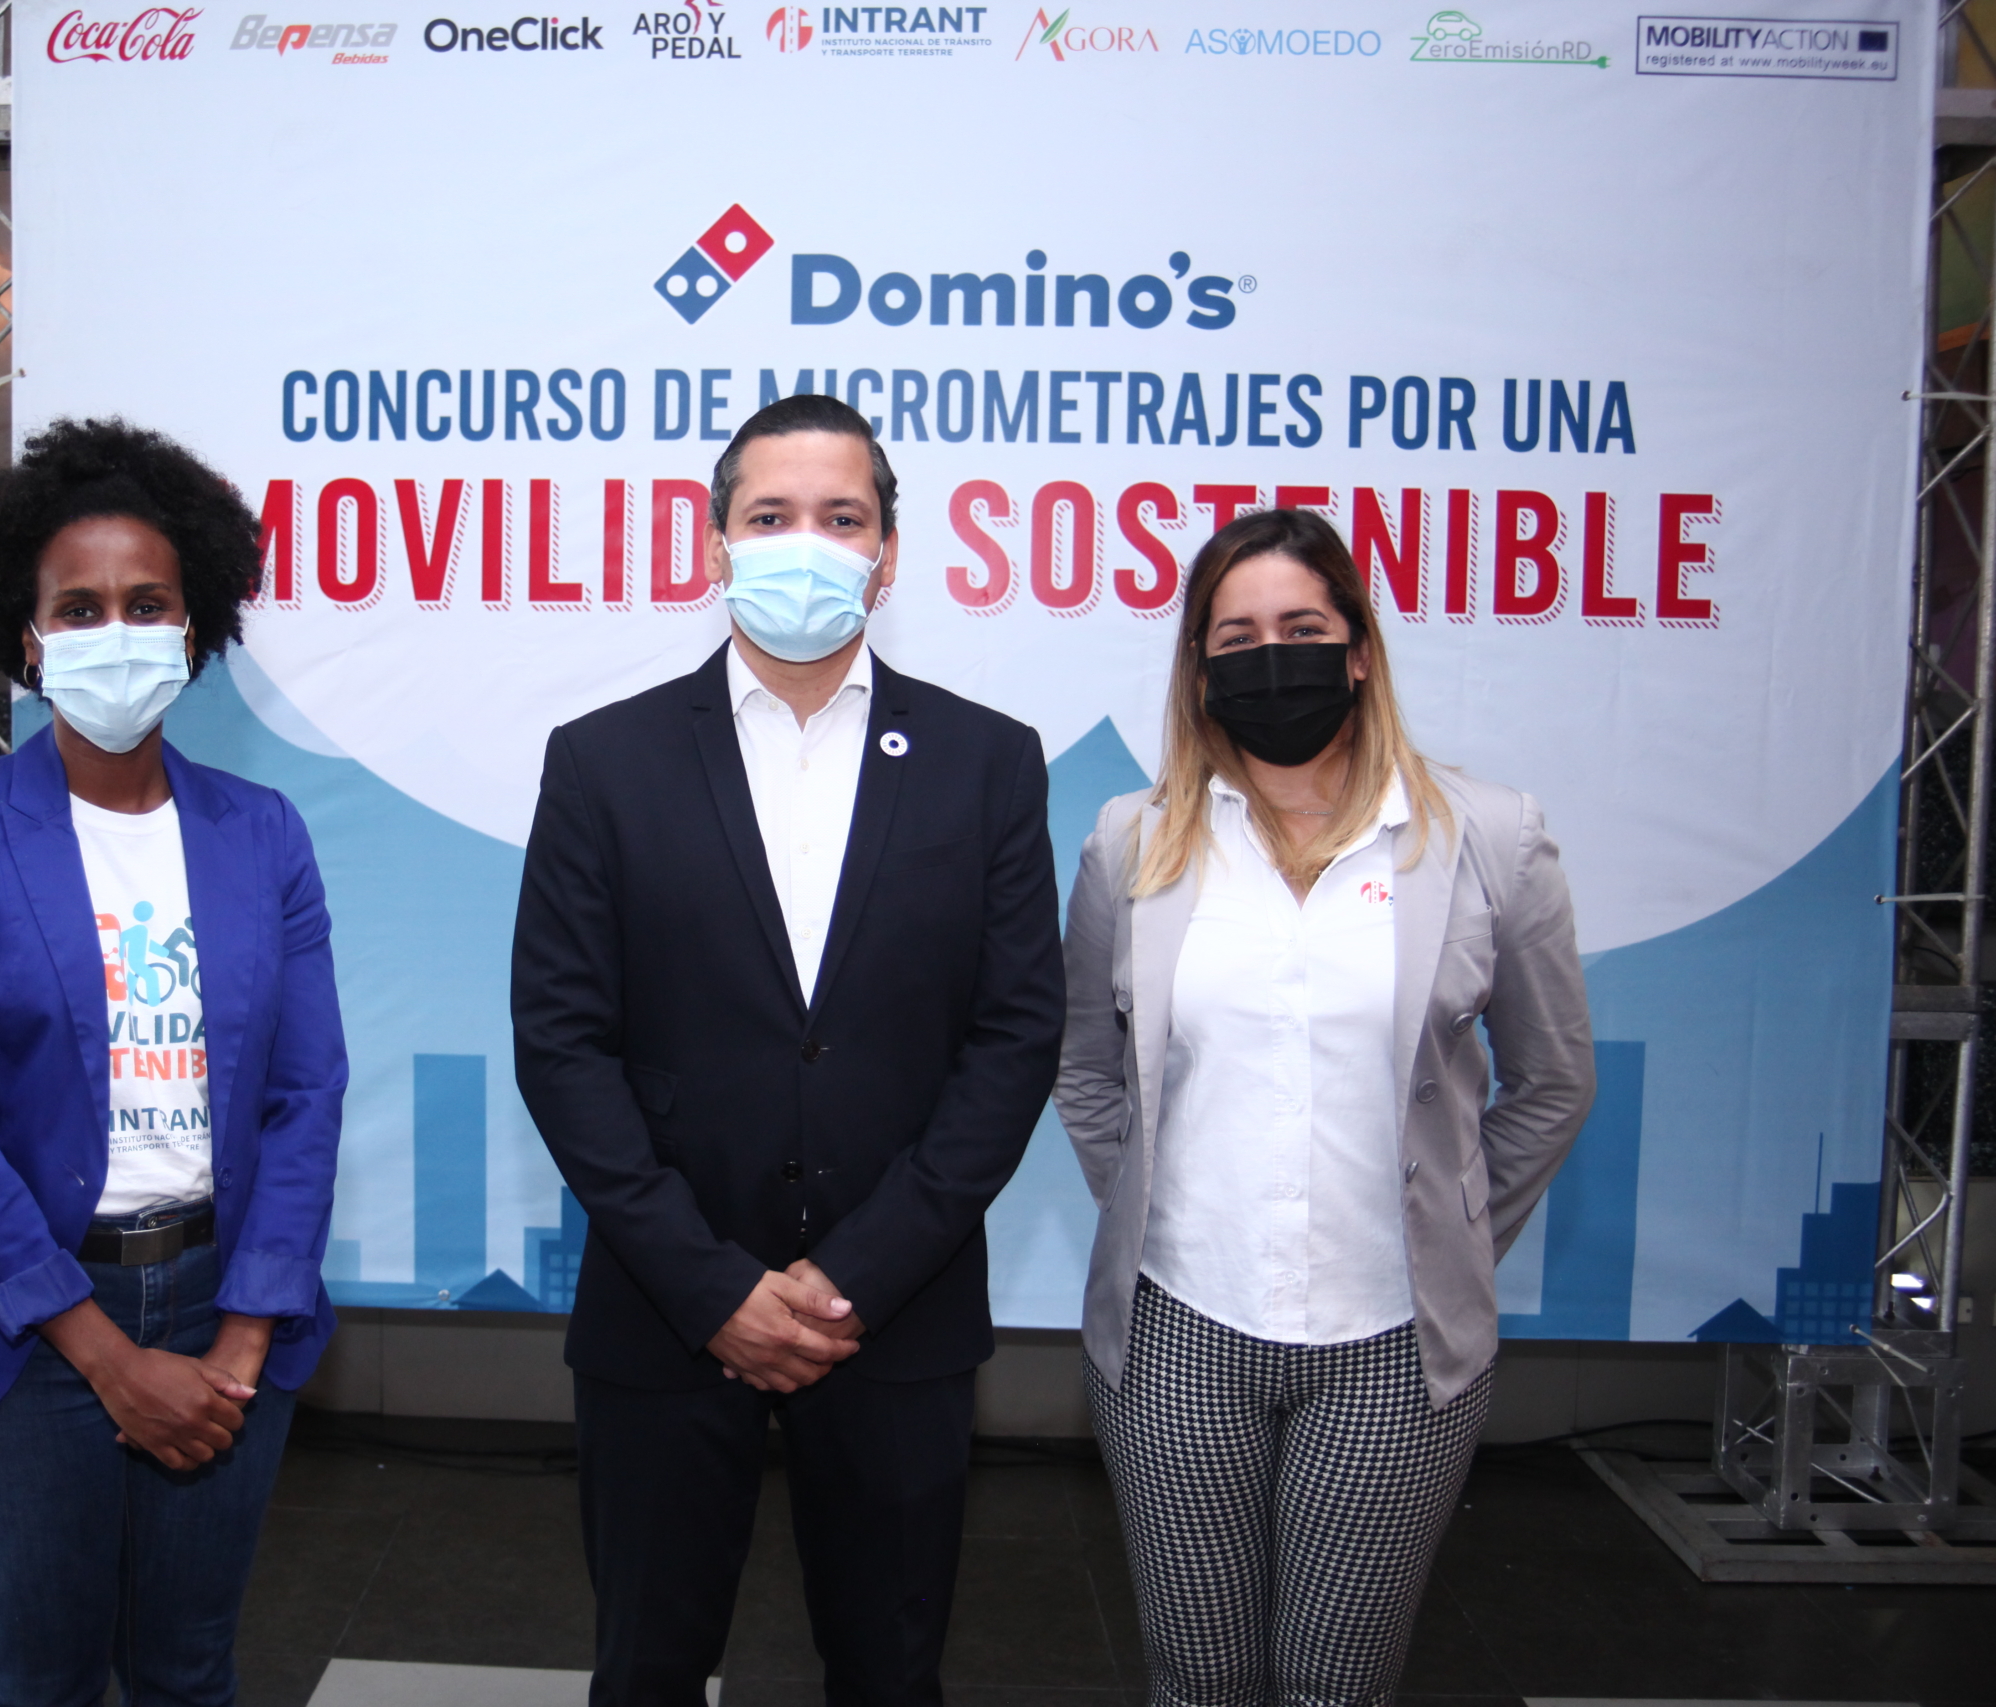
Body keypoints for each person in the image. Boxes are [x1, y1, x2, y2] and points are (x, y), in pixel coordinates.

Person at [511, 393, 1066, 1707]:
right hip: (663, 1313)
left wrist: (856, 1276)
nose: (804, 543)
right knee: (646, 1670)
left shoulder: (988, 762)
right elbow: (563, 1043)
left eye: (840, 516)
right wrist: (711, 1288)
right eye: (769, 516)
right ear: (715, 544)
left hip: (898, 1315)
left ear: (889, 551)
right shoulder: (603, 762)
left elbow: (1013, 1038)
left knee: (890, 1673)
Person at [0, 417, 347, 1707]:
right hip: (16, 1318)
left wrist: (244, 1337)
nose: (114, 631)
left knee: (188, 1669)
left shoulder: (263, 833)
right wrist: (107, 1358)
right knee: (39, 1675)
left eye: (146, 604)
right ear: (28, 637)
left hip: (222, 1299)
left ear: (194, 627)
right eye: (79, 607)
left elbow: (305, 1098)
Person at [1053, 506, 1595, 1706]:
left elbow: (1552, 1080)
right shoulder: (1131, 843)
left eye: (1301, 629)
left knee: (1335, 1686)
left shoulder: (1488, 837)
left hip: (1395, 1348)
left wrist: (1450, 1231)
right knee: (1194, 1680)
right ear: (1199, 668)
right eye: (1236, 637)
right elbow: (1085, 1070)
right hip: (1177, 1334)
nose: (1272, 659)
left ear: (1357, 649)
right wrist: (1149, 1204)